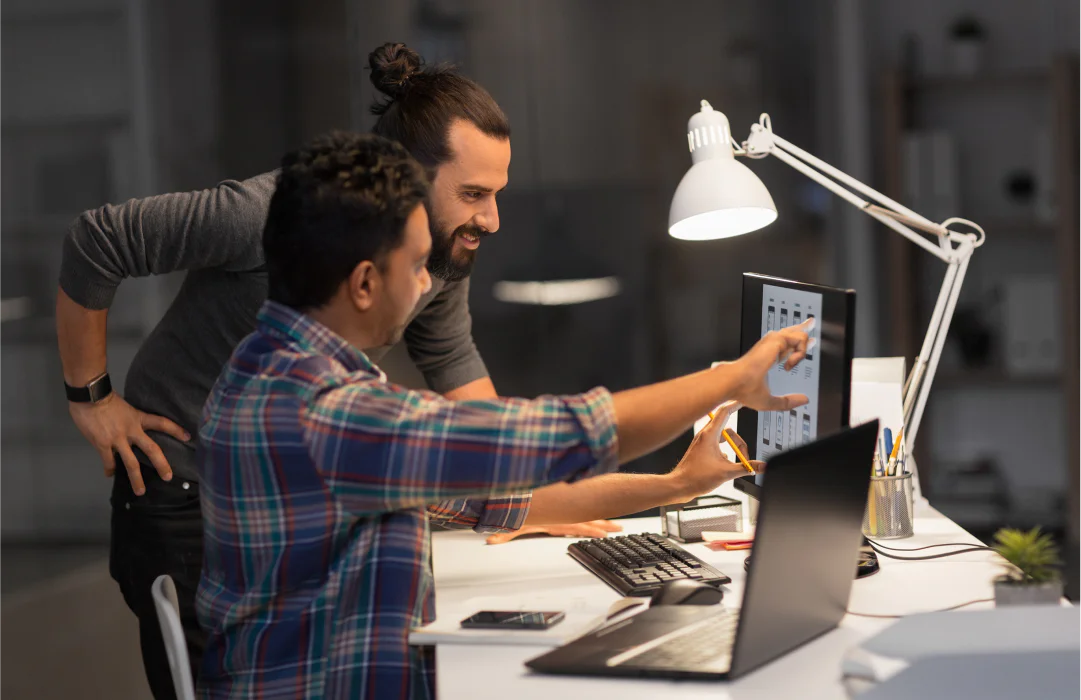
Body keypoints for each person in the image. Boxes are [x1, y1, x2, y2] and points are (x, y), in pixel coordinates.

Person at [196, 132, 810, 699]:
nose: (422, 288)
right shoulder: (326, 411)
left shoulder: (267, 366)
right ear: (363, 283)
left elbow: (499, 496)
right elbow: (562, 436)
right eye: (415, 267)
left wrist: (676, 486)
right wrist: (730, 379)